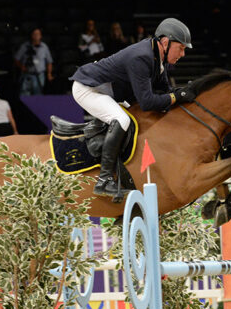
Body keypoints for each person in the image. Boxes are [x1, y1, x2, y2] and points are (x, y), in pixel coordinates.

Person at [69, 17, 196, 197]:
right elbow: (147, 103)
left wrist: (183, 94)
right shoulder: (142, 57)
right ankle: (104, 180)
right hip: (87, 88)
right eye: (181, 48)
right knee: (122, 119)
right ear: (166, 42)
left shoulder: (157, 58)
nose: (183, 54)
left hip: (110, 91)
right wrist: (176, 96)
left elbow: (166, 91)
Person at [14, 28, 54, 96]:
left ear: (40, 36)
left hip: (40, 75)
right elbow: (16, 59)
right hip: (27, 75)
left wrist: (49, 74)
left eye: (38, 34)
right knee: (25, 95)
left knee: (38, 95)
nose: (36, 36)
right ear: (31, 35)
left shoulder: (44, 46)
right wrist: (22, 67)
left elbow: (49, 61)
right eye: (34, 34)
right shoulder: (25, 46)